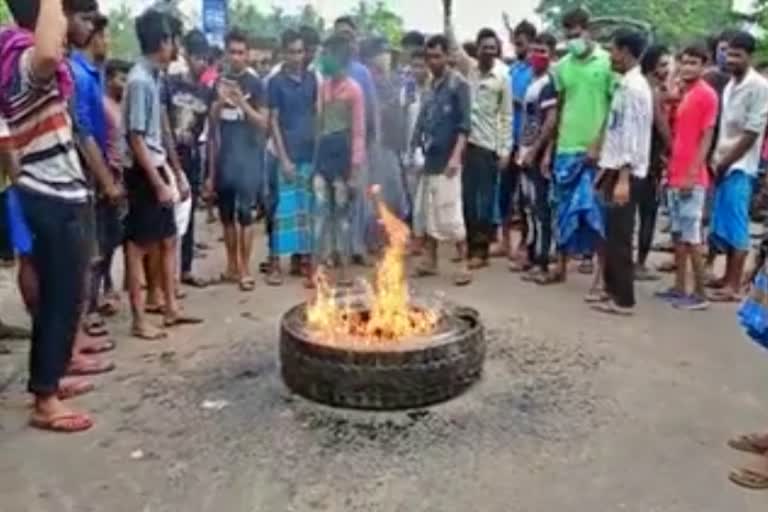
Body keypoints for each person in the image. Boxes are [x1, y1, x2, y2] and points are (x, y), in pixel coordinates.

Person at [1, 0, 101, 432]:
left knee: (61, 298)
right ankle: (45, 399)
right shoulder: (24, 58)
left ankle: (51, 382)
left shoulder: (20, 59)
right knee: (61, 299)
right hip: (50, 196)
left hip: (55, 193)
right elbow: (46, 52)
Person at [123, 8, 200, 340]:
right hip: (143, 171)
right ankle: (139, 319)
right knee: (138, 245)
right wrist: (157, 182)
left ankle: (171, 308)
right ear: (162, 41)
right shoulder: (140, 80)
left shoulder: (156, 77)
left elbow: (162, 129)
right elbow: (136, 137)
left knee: (169, 238)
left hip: (158, 165)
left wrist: (176, 172)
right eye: (172, 40)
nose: (176, 48)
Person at [540, 8, 613, 288]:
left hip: (596, 151)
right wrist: (549, 149)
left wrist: (599, 143)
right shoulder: (562, 67)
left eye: (577, 33)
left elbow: (613, 110)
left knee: (595, 213)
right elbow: (558, 108)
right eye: (568, 35)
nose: (573, 39)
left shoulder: (607, 63)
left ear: (588, 30)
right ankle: (559, 266)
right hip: (565, 149)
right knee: (561, 208)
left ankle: (602, 276)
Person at [70, 12, 124, 342]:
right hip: (84, 175)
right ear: (95, 36)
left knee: (103, 241)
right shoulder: (78, 74)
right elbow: (83, 132)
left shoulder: (94, 75)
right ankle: (86, 314)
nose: (108, 43)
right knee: (89, 248)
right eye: (106, 36)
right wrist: (105, 180)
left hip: (97, 172)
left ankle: (92, 304)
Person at [592, 29, 653, 316]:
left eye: (613, 50)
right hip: (614, 168)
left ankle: (624, 299)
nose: (610, 56)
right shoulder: (624, 84)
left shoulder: (634, 88)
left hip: (626, 172)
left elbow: (631, 137)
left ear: (626, 51)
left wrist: (624, 178)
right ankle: (612, 290)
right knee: (611, 234)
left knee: (620, 236)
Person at [654, 43, 718, 311]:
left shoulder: (706, 95)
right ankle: (680, 287)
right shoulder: (685, 94)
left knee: (692, 238)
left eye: (694, 63)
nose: (688, 67)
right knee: (680, 237)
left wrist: (694, 171)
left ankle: (700, 294)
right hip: (676, 172)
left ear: (704, 66)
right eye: (685, 62)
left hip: (692, 176)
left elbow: (707, 135)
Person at [205, 27, 268, 292]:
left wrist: (242, 103)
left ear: (248, 54)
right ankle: (231, 267)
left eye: (241, 52)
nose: (237, 57)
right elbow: (210, 125)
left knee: (246, 217)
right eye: (232, 52)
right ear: (226, 53)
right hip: (224, 159)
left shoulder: (257, 84)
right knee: (227, 216)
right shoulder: (217, 82)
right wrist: (220, 102)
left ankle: (245, 269)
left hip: (249, 159)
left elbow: (264, 123)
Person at [708, 31, 768, 303]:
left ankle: (733, 284)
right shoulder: (731, 85)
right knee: (724, 223)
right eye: (728, 54)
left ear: (749, 56)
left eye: (737, 55)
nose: (731, 59)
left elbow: (752, 132)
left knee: (737, 226)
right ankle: (726, 277)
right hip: (722, 162)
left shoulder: (759, 86)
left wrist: (726, 161)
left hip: (740, 165)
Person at [448, 25, 512, 269]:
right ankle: (470, 247)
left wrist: (505, 150)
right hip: (465, 144)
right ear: (478, 50)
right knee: (465, 200)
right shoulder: (469, 70)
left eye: (493, 48)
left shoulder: (503, 78)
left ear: (497, 51)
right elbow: (452, 44)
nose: (488, 52)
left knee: (483, 202)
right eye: (484, 47)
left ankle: (481, 251)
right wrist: (447, 13)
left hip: (487, 146)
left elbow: (506, 116)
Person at [411, 34, 472, 286]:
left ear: (447, 56)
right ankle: (430, 260)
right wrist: (413, 148)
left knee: (450, 212)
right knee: (426, 212)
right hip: (429, 157)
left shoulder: (459, 85)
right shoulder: (429, 86)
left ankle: (464, 263)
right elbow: (422, 121)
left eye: (437, 56)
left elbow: (465, 126)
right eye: (429, 57)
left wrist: (456, 156)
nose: (432, 61)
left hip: (449, 159)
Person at [310, 33, 365, 287]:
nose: (324, 60)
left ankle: (344, 271)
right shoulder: (323, 88)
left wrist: (354, 169)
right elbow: (318, 127)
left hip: (342, 159)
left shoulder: (353, 90)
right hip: (323, 157)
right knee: (321, 212)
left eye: (328, 55)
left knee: (341, 216)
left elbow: (358, 131)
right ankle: (317, 270)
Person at [266, 29, 318, 286]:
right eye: (291, 52)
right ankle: (275, 262)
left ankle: (305, 261)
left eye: (300, 51)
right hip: (286, 154)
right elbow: (273, 121)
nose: (296, 56)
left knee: (307, 208)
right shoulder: (275, 83)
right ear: (283, 52)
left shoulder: (312, 79)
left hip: (309, 153)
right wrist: (284, 158)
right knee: (283, 210)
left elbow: (316, 114)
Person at [165, 29, 213, 289]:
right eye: (197, 57)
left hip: (192, 157)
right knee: (165, 217)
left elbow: (207, 129)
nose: (202, 63)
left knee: (189, 214)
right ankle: (163, 276)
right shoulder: (170, 83)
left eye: (205, 58)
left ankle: (184, 270)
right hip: (170, 156)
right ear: (186, 55)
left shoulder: (206, 91)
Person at [333, 16, 377, 263]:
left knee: (359, 197)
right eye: (340, 36)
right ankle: (338, 249)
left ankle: (358, 247)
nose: (345, 41)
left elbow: (372, 110)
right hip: (333, 146)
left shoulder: (362, 73)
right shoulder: (325, 69)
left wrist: (373, 143)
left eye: (349, 36)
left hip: (359, 145)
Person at [516, 32, 559, 282]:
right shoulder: (532, 81)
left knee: (541, 210)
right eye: (535, 51)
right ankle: (532, 256)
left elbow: (551, 120)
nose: (537, 56)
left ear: (551, 54)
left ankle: (542, 261)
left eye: (543, 51)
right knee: (529, 207)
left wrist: (537, 152)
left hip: (538, 153)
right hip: (526, 150)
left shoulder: (549, 83)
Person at [360, 36, 409, 247]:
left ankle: (390, 239)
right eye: (383, 53)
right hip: (373, 144)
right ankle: (375, 241)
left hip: (393, 144)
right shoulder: (366, 81)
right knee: (377, 193)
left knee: (395, 194)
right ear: (372, 58)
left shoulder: (395, 80)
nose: (387, 56)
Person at [635, 44, 672, 282]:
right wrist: (674, 151)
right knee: (648, 214)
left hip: (637, 158)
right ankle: (639, 263)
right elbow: (662, 127)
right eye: (663, 65)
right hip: (649, 161)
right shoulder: (653, 92)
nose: (667, 69)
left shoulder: (637, 87)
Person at [502, 18, 537, 263]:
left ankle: (526, 242)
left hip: (527, 142)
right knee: (504, 192)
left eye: (522, 43)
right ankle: (504, 241)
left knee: (527, 198)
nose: (518, 48)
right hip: (508, 140)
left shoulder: (538, 71)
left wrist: (517, 100)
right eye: (515, 44)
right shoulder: (511, 70)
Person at [102, 57, 132, 311]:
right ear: (109, 79)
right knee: (105, 239)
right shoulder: (104, 106)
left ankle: (113, 284)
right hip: (109, 179)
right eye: (121, 79)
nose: (125, 84)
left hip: (124, 177)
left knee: (118, 235)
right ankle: (104, 288)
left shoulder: (123, 105)